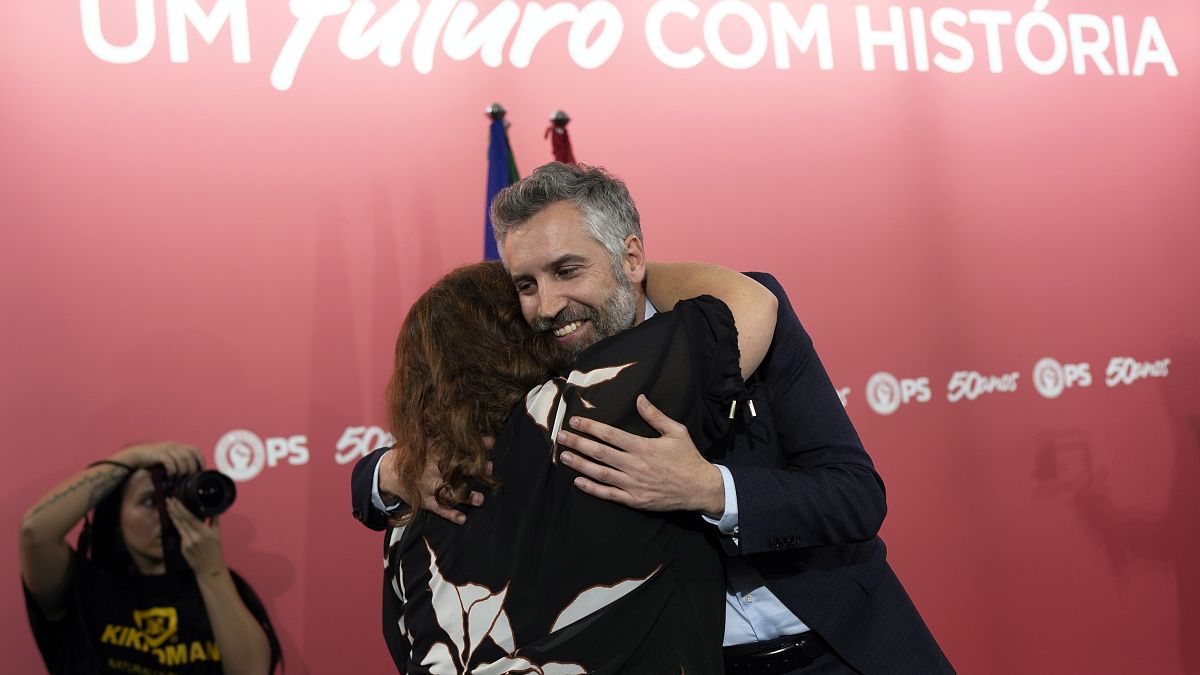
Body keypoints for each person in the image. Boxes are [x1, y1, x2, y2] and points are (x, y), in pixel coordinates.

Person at [355, 162, 954, 673]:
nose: (546, 306)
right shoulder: (536, 382)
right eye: (526, 284)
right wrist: (388, 474)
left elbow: (856, 495)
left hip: (842, 642)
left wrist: (711, 490)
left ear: (632, 254)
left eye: (568, 270)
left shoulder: (732, 327)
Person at [371, 259, 776, 673]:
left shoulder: (407, 497)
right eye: (528, 294)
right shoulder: (580, 415)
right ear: (520, 334)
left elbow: (405, 647)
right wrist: (628, 268)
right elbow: (747, 302)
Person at [19, 441, 281, 675]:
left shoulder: (219, 585)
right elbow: (35, 532)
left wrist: (211, 570)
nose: (166, 515)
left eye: (172, 501)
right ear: (116, 518)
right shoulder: (86, 589)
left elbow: (252, 671)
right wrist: (131, 458)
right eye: (150, 502)